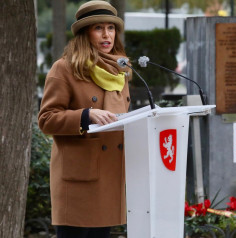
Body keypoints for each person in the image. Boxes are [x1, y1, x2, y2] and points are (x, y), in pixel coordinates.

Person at [38, 1, 131, 237]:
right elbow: (47, 119)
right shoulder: (64, 69)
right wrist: (85, 115)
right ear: (84, 34)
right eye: (98, 28)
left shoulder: (119, 71)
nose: (107, 34)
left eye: (111, 28)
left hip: (110, 175)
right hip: (79, 179)